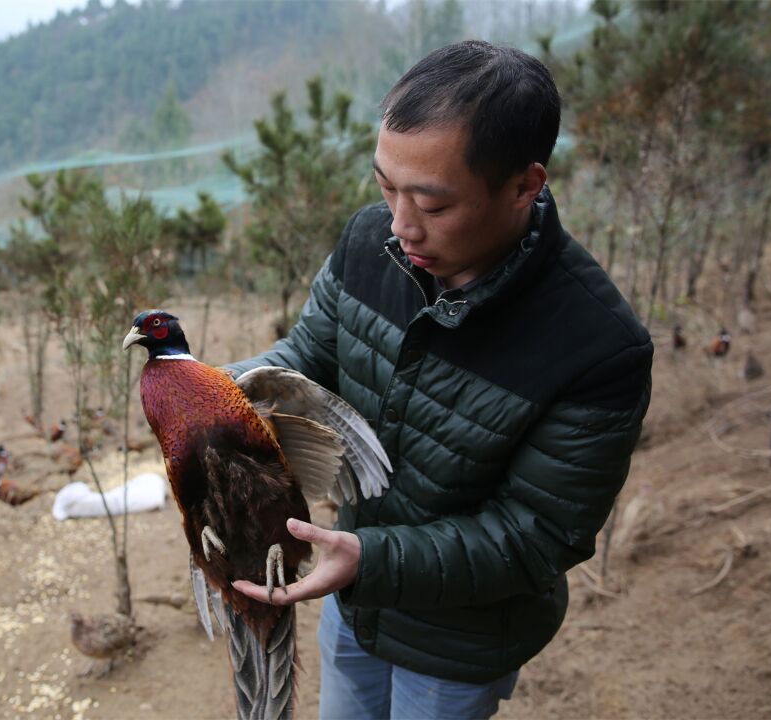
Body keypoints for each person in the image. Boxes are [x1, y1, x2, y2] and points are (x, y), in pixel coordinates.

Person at [224, 40, 653, 719]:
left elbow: (538, 535)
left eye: (432, 203)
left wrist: (371, 557)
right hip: (354, 603)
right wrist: (214, 394)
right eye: (386, 187)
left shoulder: (596, 347)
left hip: (462, 641)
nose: (400, 225)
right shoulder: (370, 244)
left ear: (524, 185)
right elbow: (310, 352)